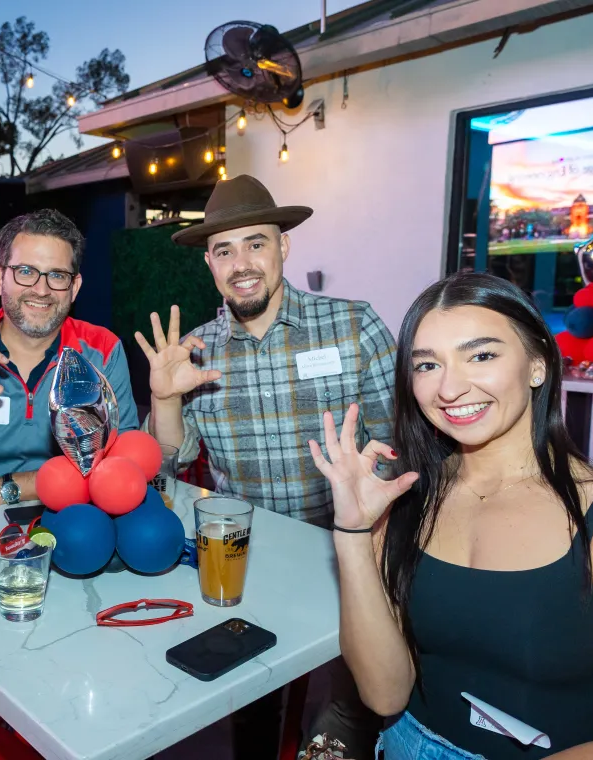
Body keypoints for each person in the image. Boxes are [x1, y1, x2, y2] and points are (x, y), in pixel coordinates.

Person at [311, 272, 593, 758]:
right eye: (426, 365)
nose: (449, 387)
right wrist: (353, 531)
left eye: (481, 355)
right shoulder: (405, 495)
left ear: (538, 364)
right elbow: (384, 694)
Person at [136, 174, 395, 757]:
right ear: (208, 263)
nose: (241, 263)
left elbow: (402, 446)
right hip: (250, 565)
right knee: (254, 716)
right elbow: (168, 467)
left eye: (256, 243)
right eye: (224, 250)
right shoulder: (197, 350)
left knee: (349, 720)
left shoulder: (355, 327)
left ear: (284, 247)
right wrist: (165, 399)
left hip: (351, 558)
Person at [0, 208, 140, 753]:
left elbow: (127, 466)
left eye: (57, 275)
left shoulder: (101, 352)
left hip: (77, 551)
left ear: (76, 285)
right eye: (25, 272)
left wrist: (19, 485)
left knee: (70, 710)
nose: (41, 289)